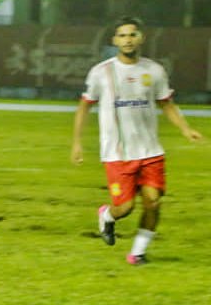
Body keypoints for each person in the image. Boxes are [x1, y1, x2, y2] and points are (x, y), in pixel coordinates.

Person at [71, 16, 203, 265]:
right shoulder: (102, 72)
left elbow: (166, 103)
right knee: (125, 208)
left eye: (132, 35)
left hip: (150, 151)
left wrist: (185, 129)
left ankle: (138, 253)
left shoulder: (154, 71)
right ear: (114, 40)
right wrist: (77, 142)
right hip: (117, 154)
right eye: (122, 35)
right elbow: (84, 107)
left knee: (153, 202)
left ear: (141, 38)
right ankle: (107, 216)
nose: (127, 40)